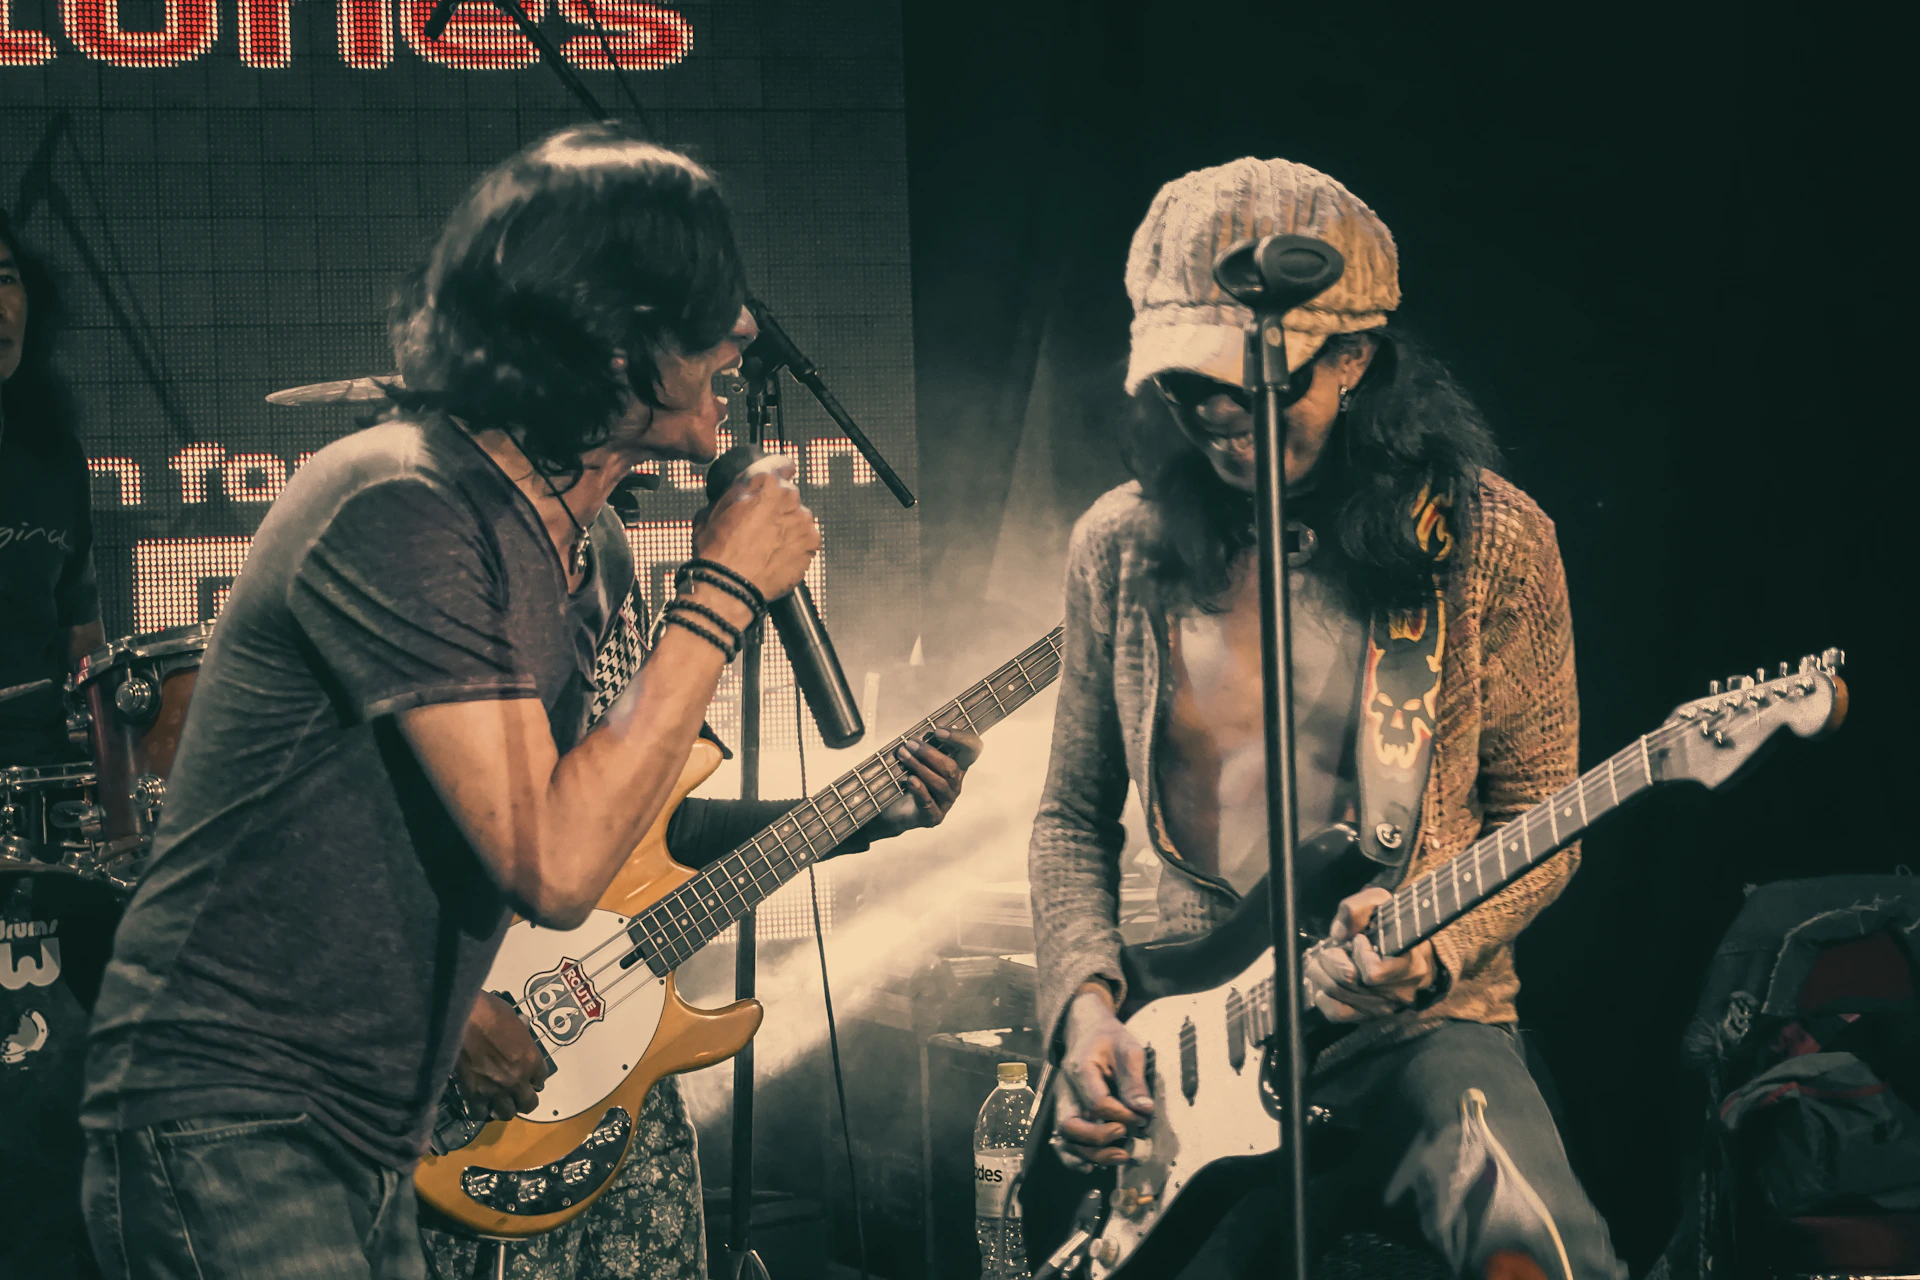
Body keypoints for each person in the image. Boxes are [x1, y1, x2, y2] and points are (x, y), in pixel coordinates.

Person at [80, 124, 976, 1280]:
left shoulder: (584, 547)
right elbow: (551, 867)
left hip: (361, 1124)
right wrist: (717, 593)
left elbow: (607, 839)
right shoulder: (398, 500)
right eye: (709, 301)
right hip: (234, 1110)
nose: (746, 328)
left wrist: (855, 811)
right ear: (605, 345)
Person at [1027, 157, 1626, 1278]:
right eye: (1185, 389)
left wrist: (1432, 951)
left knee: (1546, 1258)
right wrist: (1085, 1010)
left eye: (1252, 386)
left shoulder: (1490, 542)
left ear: (1352, 358)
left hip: (1418, 1035)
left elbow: (1545, 815)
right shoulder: (1120, 544)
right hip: (1186, 1050)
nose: (1217, 419)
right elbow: (1070, 815)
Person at [1, 207, 109, 1280]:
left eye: (5, 275)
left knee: (56, 1085)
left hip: (38, 793)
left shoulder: (49, 450)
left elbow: (80, 623)